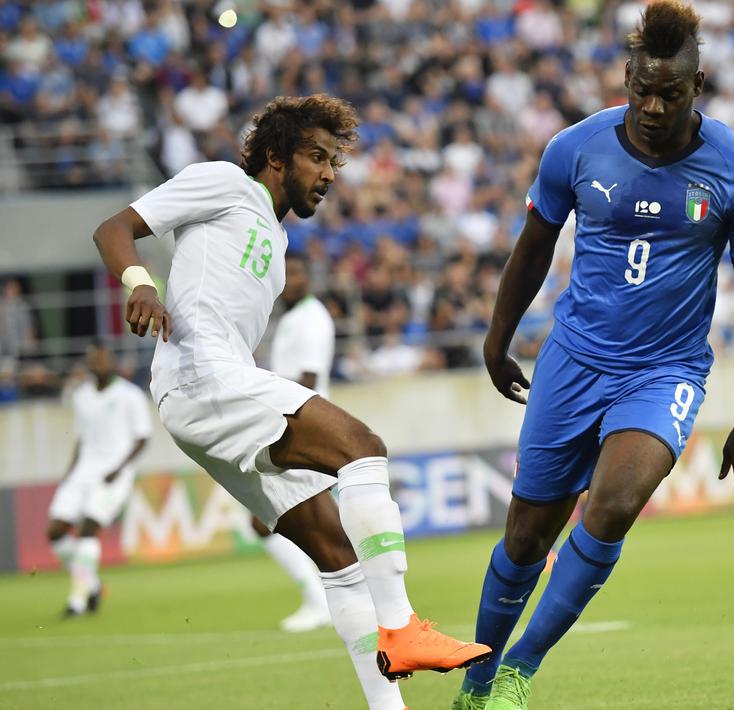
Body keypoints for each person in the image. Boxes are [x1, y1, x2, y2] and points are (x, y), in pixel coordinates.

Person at [91, 95, 489, 710]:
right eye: (316, 157)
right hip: (202, 376)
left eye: (335, 162)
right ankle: (404, 626)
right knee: (363, 450)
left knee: (339, 555)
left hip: (209, 391)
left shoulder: (275, 244)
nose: (329, 173)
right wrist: (142, 284)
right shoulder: (224, 182)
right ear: (275, 157)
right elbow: (114, 228)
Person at [453, 3, 734, 708]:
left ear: (701, 85)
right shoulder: (574, 148)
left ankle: (519, 671)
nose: (653, 106)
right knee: (526, 535)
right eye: (642, 88)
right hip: (572, 360)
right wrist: (496, 335)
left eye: (671, 92)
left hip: (664, 372)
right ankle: (477, 683)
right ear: (626, 77)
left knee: (611, 508)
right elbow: (534, 243)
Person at [253, 250, 334, 633]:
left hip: (299, 428)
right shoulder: (290, 319)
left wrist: (276, 428)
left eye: (299, 272)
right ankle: (327, 600)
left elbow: (308, 381)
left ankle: (320, 602)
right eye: (287, 273)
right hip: (293, 426)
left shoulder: (311, 318)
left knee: (266, 522)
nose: (291, 280)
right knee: (306, 521)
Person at [46, 340, 150, 617]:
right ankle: (91, 583)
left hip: (113, 472)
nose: (99, 363)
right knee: (55, 531)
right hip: (83, 471)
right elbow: (80, 441)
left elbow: (142, 438)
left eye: (103, 358)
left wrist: (120, 468)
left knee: (87, 530)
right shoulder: (81, 396)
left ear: (112, 361)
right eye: (95, 359)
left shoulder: (130, 395)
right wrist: (69, 475)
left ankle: (77, 602)